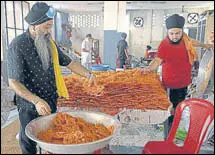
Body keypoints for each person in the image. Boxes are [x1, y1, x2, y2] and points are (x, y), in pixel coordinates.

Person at [6, 2, 96, 154]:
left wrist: (88, 74)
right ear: (34, 26)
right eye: (46, 27)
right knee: (29, 141)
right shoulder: (17, 45)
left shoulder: (49, 44)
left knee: (51, 139)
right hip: (30, 104)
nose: (49, 30)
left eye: (50, 26)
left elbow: (70, 62)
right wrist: (36, 100)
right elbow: (13, 82)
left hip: (50, 100)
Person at [140, 14, 213, 135]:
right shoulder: (164, 45)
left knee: (180, 107)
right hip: (169, 84)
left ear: (182, 31)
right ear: (167, 32)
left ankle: (174, 129)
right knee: (170, 109)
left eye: (177, 33)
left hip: (183, 83)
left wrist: (207, 45)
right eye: (172, 33)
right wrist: (148, 69)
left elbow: (193, 42)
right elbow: (157, 61)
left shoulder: (186, 40)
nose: (174, 36)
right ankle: (169, 134)